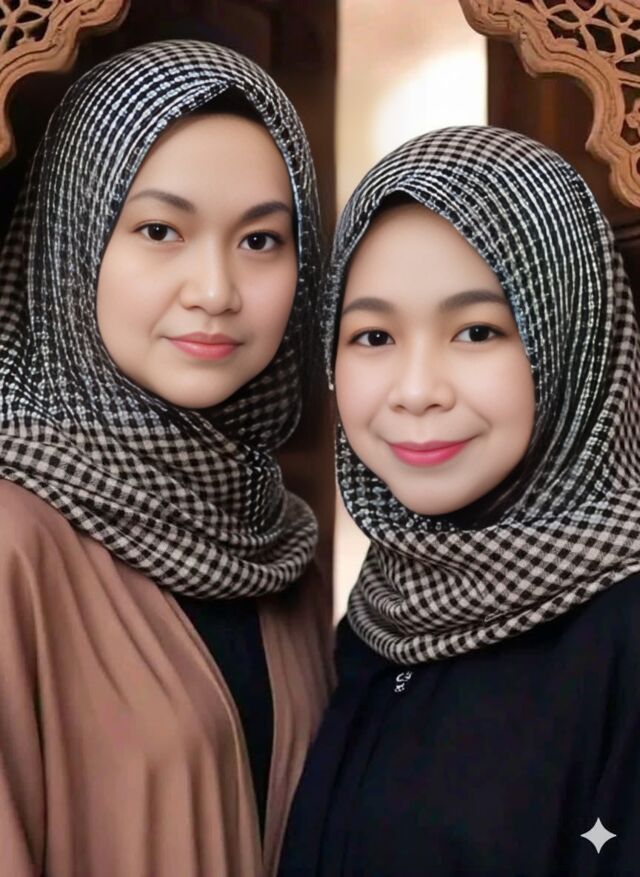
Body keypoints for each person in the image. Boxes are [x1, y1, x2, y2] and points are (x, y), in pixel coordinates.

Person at [0, 39, 332, 877]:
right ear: (71, 243)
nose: (216, 289)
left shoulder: (279, 544)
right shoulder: (13, 541)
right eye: (159, 230)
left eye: (261, 240)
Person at [278, 126, 640, 876]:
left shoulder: (623, 632)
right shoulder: (380, 618)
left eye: (477, 331)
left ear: (574, 338)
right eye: (373, 335)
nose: (416, 391)